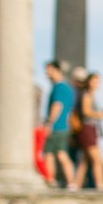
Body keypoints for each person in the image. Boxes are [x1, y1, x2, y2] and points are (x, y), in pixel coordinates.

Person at [71, 69, 103, 190]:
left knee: (84, 160)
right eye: (94, 81)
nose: (97, 84)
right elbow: (86, 111)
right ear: (88, 82)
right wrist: (100, 115)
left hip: (90, 129)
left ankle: (75, 185)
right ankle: (100, 185)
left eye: (98, 82)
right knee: (97, 159)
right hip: (88, 129)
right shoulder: (87, 95)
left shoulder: (89, 95)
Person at [39, 61, 78, 189]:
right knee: (61, 153)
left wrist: (49, 123)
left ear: (57, 70)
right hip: (63, 125)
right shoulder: (67, 87)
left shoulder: (59, 87)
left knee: (49, 154)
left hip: (57, 126)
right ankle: (71, 183)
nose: (46, 73)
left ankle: (51, 182)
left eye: (49, 70)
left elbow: (57, 105)